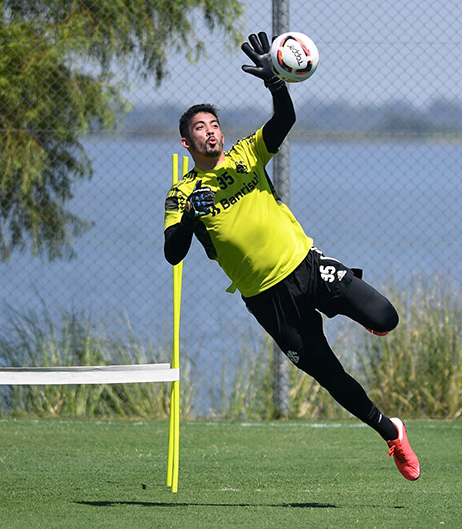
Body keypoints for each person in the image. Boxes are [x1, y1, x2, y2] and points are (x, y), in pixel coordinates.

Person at [163, 32, 419, 481]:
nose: (211, 132)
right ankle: (391, 433)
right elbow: (172, 254)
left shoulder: (245, 155)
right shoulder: (181, 193)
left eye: (214, 124)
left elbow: (285, 118)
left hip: (306, 265)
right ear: (187, 143)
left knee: (386, 316)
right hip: (267, 299)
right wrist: (187, 218)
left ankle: (351, 305)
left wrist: (276, 82)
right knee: (328, 373)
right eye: (200, 128)